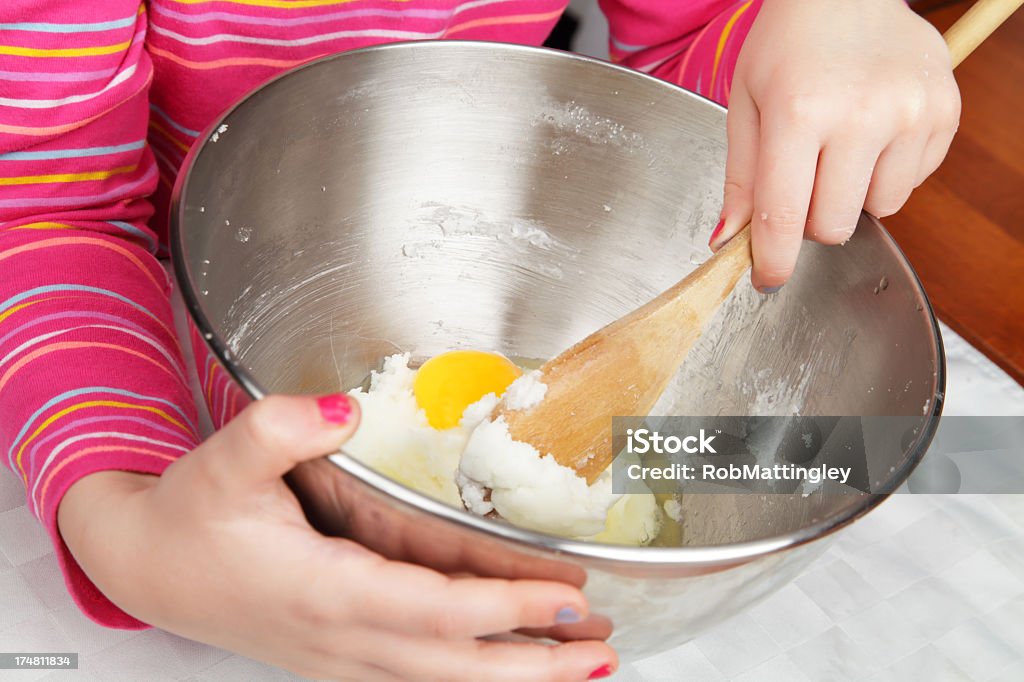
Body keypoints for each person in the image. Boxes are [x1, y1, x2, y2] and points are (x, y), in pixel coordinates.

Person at [0, 1, 959, 679]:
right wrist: (124, 527)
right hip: (173, 329)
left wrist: (806, 29)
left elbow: (677, 86)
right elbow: (45, 212)